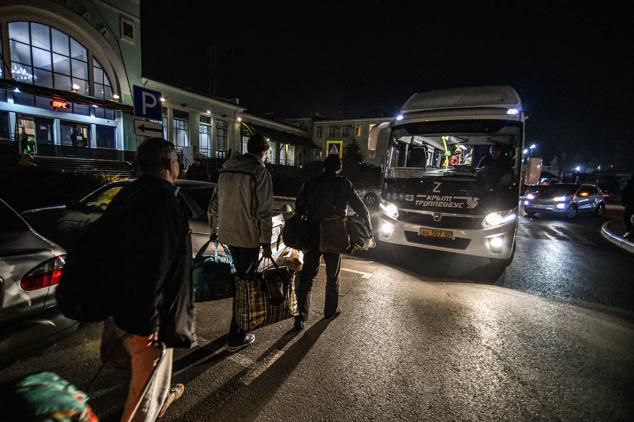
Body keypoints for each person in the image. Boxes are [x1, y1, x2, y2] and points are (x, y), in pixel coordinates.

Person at [106, 137, 195, 421]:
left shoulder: (129, 194)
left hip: (126, 307)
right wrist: (149, 322)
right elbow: (153, 267)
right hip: (149, 318)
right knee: (142, 401)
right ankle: (155, 404)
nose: (179, 166)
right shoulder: (163, 201)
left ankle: (163, 396)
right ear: (169, 164)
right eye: (178, 161)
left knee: (148, 382)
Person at [208, 133, 273, 352]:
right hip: (248, 238)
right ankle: (236, 336)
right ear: (264, 152)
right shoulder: (259, 172)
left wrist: (213, 230)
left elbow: (214, 203)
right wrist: (266, 242)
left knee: (239, 284)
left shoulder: (227, 169)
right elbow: (264, 212)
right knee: (245, 286)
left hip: (228, 235)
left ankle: (237, 329)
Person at [293, 154, 371, 330]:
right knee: (332, 276)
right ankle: (330, 310)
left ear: (324, 167)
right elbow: (361, 208)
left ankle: (300, 317)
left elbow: (299, 208)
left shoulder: (311, 182)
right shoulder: (344, 183)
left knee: (307, 277)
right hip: (335, 233)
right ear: (339, 168)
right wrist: (368, 228)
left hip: (313, 231)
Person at [623, 175, 634, 240]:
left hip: (630, 205)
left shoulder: (628, 185)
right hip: (630, 204)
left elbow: (624, 194)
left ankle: (628, 231)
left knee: (626, 217)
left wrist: (624, 203)